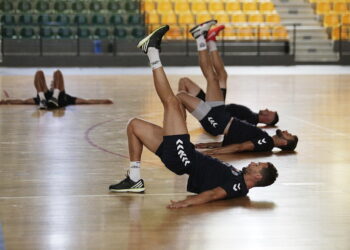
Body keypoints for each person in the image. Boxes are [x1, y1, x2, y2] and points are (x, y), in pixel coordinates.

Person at [108, 24, 278, 209]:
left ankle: (152, 51)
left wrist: (187, 202)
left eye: (258, 164)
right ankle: (134, 179)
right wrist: (213, 147)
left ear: (258, 176)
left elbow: (213, 195)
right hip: (186, 154)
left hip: (184, 158)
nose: (253, 162)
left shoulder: (238, 186)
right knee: (134, 125)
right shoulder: (238, 178)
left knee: (172, 102)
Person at [175, 20, 298, 155]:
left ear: (284, 143)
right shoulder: (265, 139)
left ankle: (200, 37)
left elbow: (240, 147)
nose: (286, 131)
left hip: (219, 121)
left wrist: (209, 153)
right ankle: (201, 38)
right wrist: (211, 145)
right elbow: (237, 140)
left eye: (289, 135)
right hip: (220, 118)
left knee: (203, 83)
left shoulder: (267, 142)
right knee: (204, 83)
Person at [0, 70, 113, 109]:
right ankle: (45, 100)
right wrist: (5, 101)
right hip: (45, 99)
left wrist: (103, 100)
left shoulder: (66, 97)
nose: (52, 83)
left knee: (57, 72)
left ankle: (55, 97)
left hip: (58, 100)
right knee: (39, 72)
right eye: (52, 83)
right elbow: (23, 101)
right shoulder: (45, 93)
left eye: (54, 83)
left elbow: (86, 101)